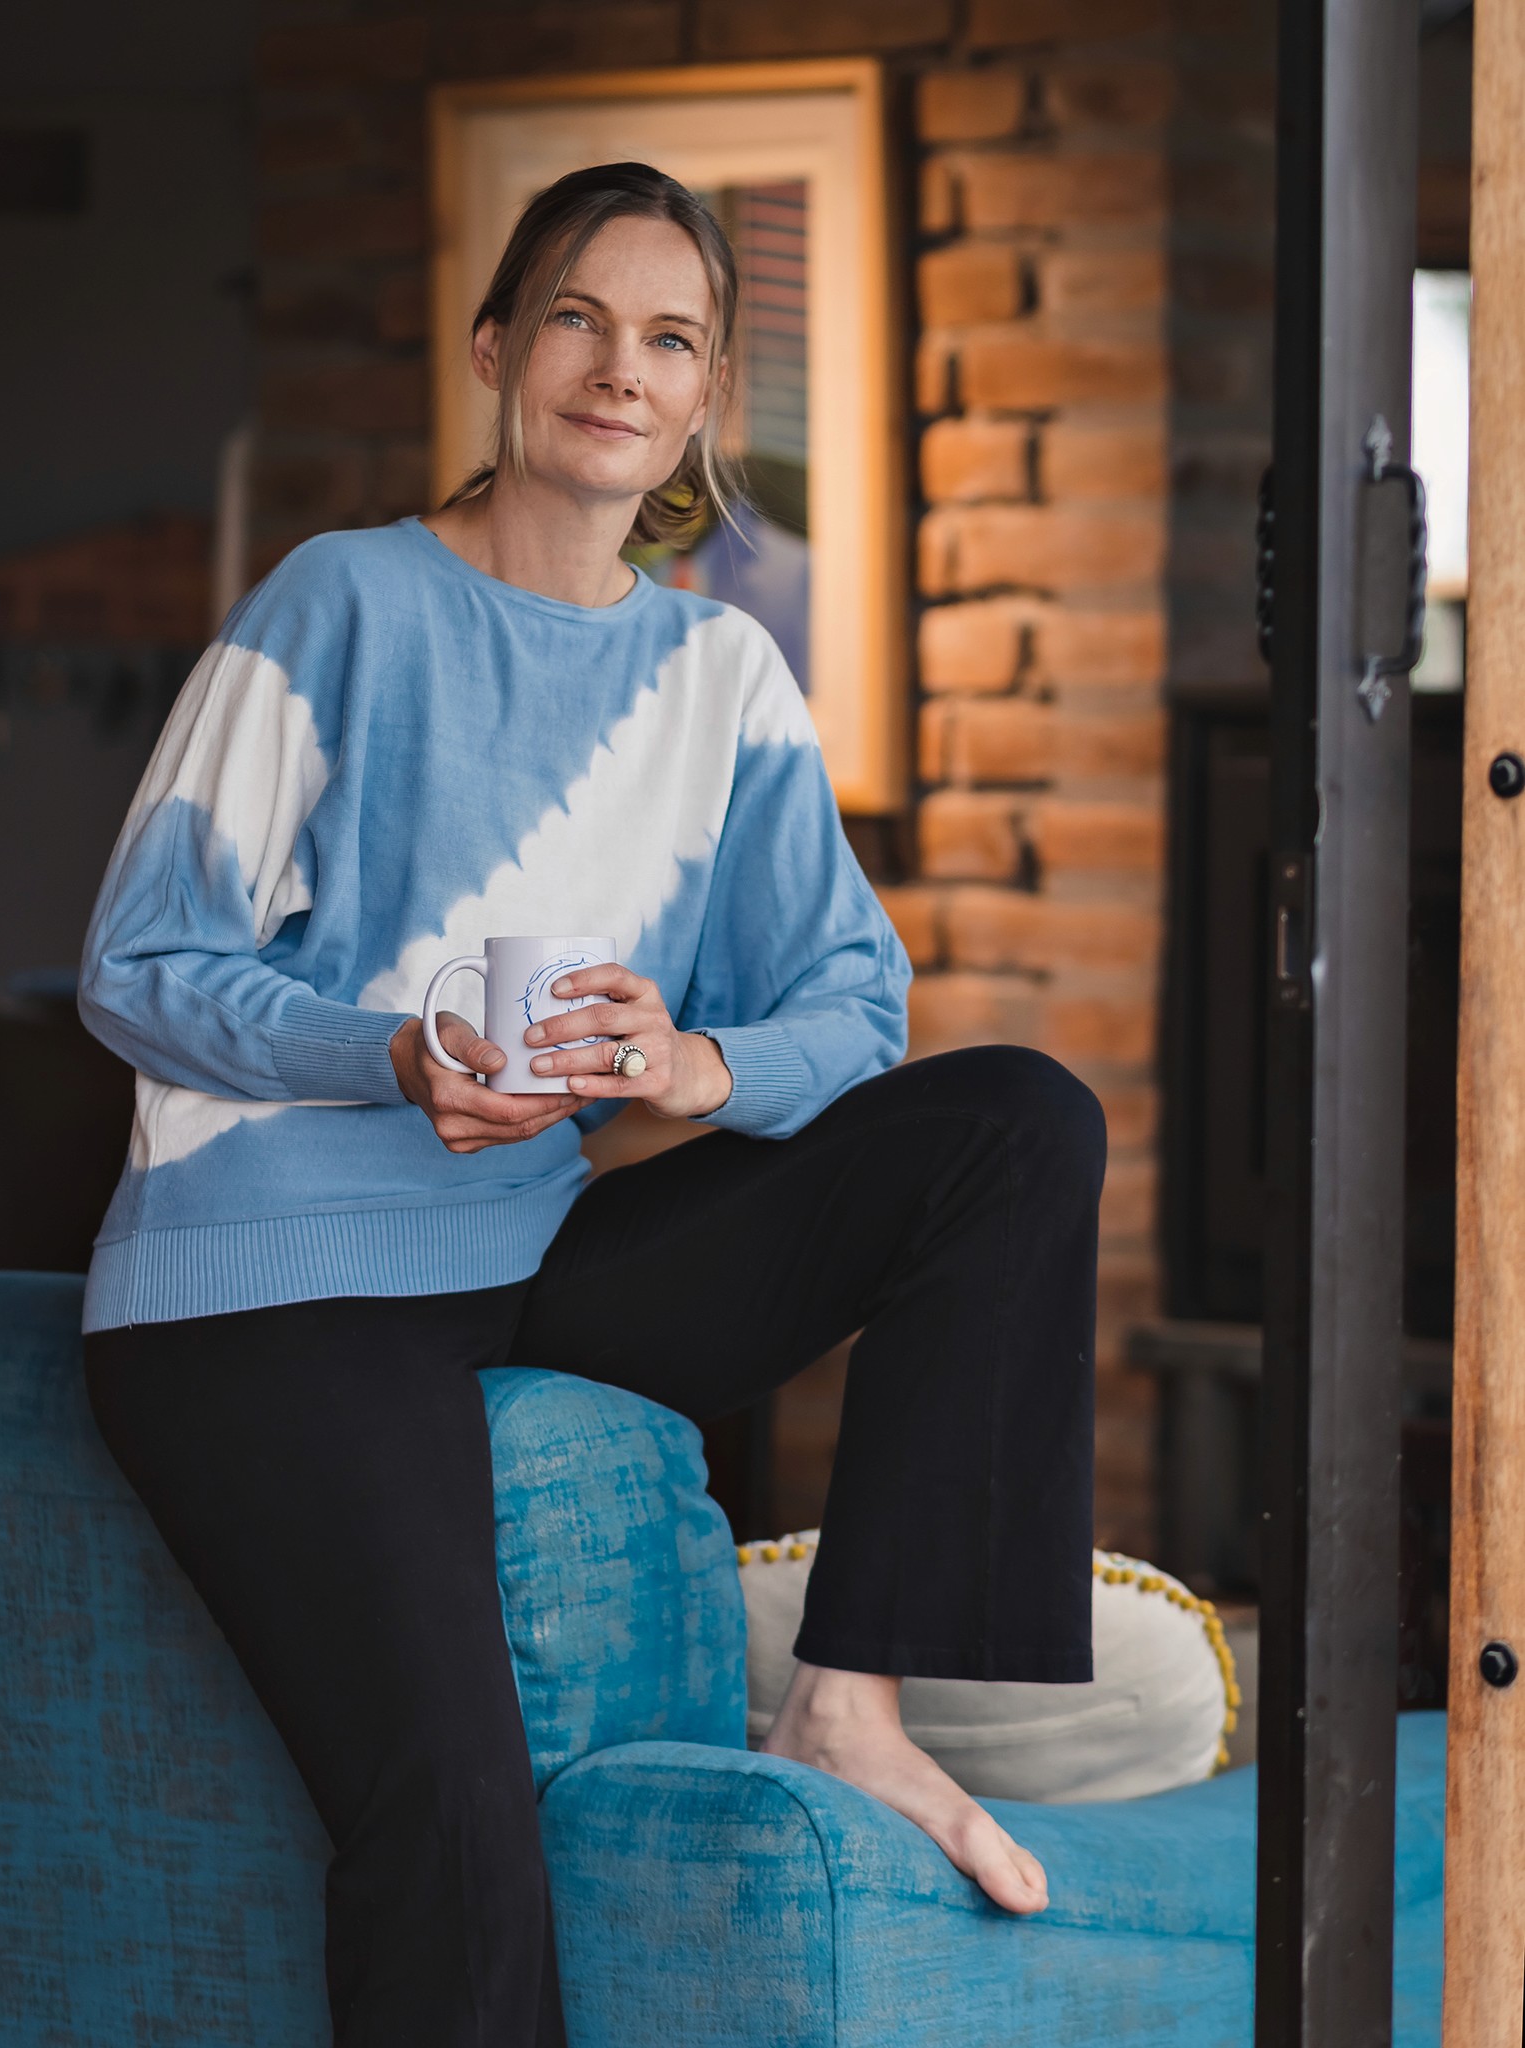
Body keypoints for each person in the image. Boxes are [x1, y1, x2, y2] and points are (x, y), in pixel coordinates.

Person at [78, 160, 1106, 2048]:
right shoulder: (344, 602)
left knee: (1015, 1125)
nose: (616, 368)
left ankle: (851, 1698)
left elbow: (853, 999)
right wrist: (381, 1051)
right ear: (495, 348)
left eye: (670, 338)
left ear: (706, 400)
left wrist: (694, 1064)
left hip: (531, 1239)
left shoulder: (720, 672)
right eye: (574, 316)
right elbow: (141, 964)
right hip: (273, 1283)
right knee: (456, 1816)